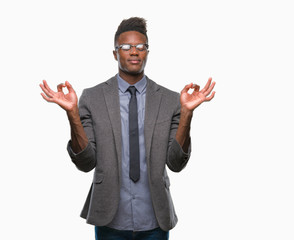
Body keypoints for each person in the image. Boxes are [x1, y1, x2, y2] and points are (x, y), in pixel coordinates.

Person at [40, 17, 215, 240]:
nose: (134, 52)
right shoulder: (92, 98)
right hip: (110, 219)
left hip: (154, 219)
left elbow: (176, 163)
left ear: (147, 52)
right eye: (126, 47)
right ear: (115, 53)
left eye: (140, 47)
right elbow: (85, 163)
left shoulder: (171, 100)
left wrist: (187, 113)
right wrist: (72, 113)